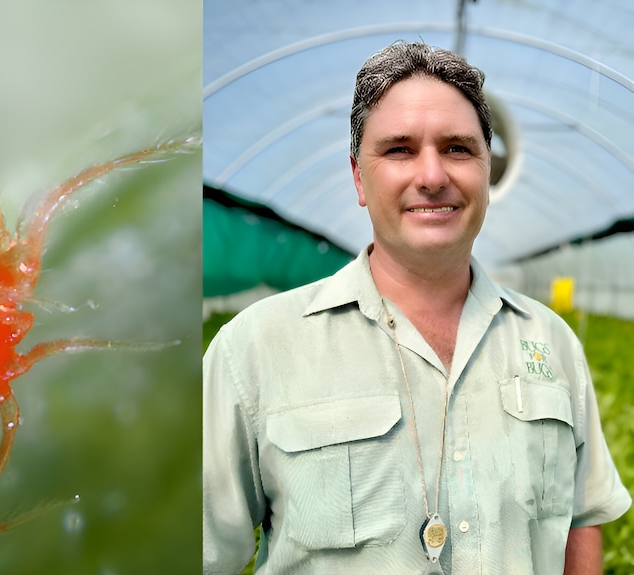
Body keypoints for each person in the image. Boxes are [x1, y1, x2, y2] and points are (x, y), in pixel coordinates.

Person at [203, 41, 631, 574]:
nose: (432, 175)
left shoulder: (553, 341)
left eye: (457, 148)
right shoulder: (253, 350)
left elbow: (580, 519)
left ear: (486, 172)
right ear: (360, 178)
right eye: (400, 149)